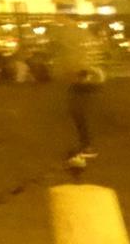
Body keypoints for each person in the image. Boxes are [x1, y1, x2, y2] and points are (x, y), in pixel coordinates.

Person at [51, 22, 104, 159]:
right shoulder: (93, 43)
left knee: (79, 113)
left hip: (85, 81)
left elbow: (83, 65)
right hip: (90, 81)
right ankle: (86, 145)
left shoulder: (86, 44)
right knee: (80, 113)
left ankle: (88, 146)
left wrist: (77, 73)